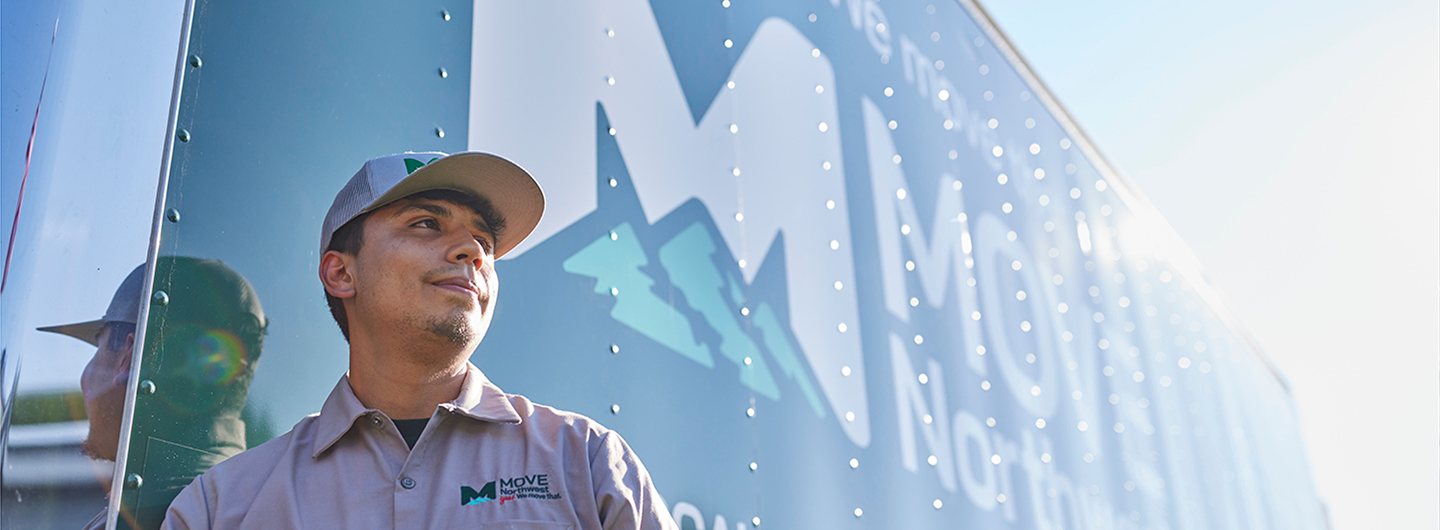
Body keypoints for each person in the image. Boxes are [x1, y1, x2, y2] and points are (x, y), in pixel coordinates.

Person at [161, 152, 677, 529]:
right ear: (341, 273)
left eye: (486, 242)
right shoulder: (222, 505)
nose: (473, 251)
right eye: (428, 223)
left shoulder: (588, 463)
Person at [38, 256, 267, 530]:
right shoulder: (257, 502)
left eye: (97, 349)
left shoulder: (149, 513)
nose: (84, 379)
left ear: (129, 355)